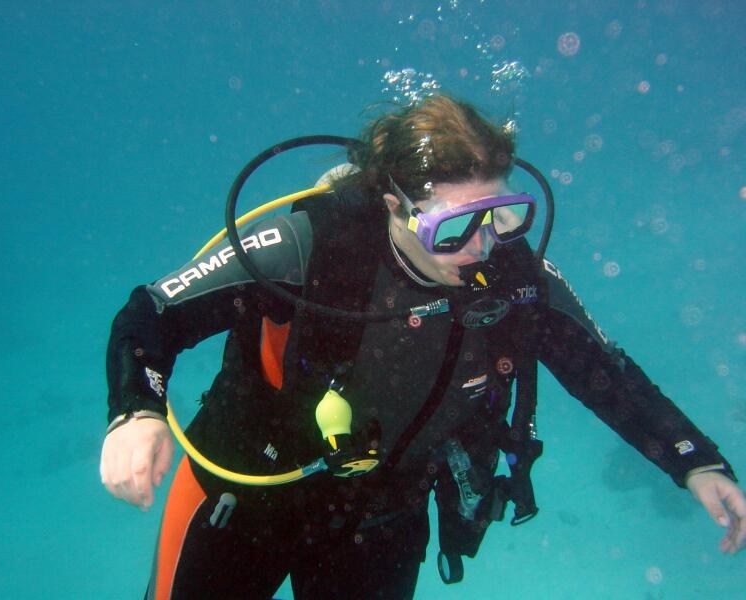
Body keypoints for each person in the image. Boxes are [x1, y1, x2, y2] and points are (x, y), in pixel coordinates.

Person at [100, 94, 745, 599]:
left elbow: (603, 373)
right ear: (394, 206)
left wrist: (695, 461)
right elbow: (153, 311)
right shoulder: (312, 246)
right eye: (453, 227)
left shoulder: (515, 276)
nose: (482, 246)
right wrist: (136, 411)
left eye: (502, 216)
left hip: (381, 519)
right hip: (244, 497)